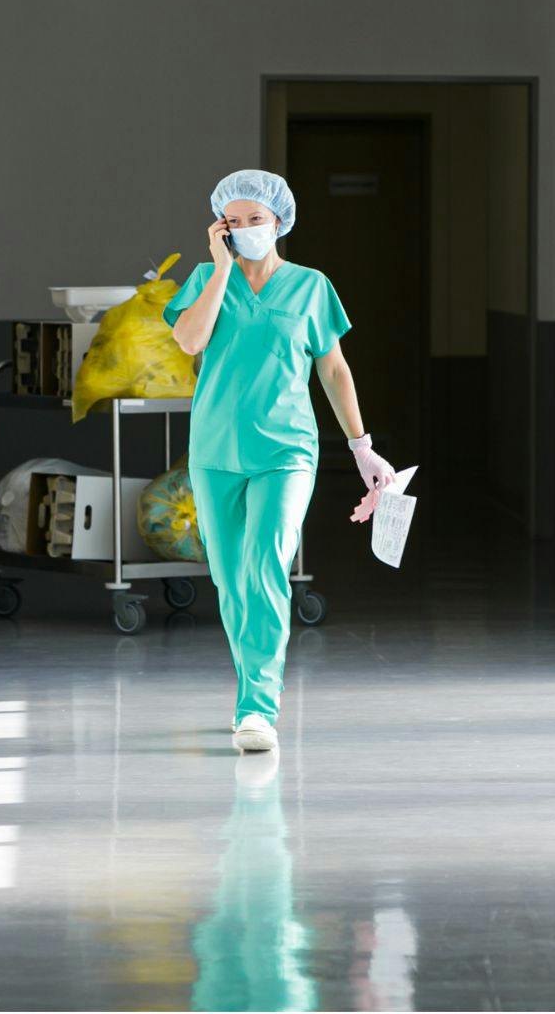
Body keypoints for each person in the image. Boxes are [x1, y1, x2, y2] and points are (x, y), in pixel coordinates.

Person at [164, 169, 394, 753]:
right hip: (215, 452)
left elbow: (333, 369)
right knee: (230, 580)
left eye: (255, 220)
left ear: (279, 223)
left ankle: (257, 707)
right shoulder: (203, 279)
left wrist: (362, 446)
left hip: (287, 451)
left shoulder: (311, 287)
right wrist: (219, 268)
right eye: (233, 223)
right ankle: (250, 689)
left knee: (266, 561)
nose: (246, 230)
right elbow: (190, 341)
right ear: (221, 228)